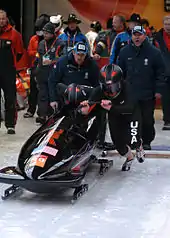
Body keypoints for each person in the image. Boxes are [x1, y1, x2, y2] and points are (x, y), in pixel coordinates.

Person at [80, 64, 144, 170]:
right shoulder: (99, 91)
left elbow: (130, 107)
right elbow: (91, 105)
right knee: (118, 144)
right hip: (115, 115)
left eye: (113, 87)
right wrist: (86, 108)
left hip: (131, 113)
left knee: (133, 140)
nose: (111, 91)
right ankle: (129, 157)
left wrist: (112, 107)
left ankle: (138, 145)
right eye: (107, 87)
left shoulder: (128, 88)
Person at [118, 25, 166, 150]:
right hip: (130, 94)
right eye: (135, 35)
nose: (137, 37)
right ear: (132, 36)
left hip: (147, 94)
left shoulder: (154, 52)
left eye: (140, 35)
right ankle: (133, 141)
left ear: (144, 36)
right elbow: (119, 73)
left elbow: (161, 73)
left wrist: (159, 90)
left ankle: (146, 141)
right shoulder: (124, 52)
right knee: (131, 120)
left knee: (147, 120)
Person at [48, 41, 100, 111]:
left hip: (84, 101)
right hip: (65, 99)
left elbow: (97, 85)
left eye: (82, 55)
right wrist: (53, 99)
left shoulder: (92, 65)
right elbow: (52, 80)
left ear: (86, 55)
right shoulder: (62, 62)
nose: (79, 57)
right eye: (78, 54)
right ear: (73, 52)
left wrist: (91, 101)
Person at [34, 22, 64, 124]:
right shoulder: (42, 43)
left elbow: (63, 58)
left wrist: (52, 61)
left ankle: (52, 115)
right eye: (44, 33)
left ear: (52, 33)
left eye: (47, 33)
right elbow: (38, 57)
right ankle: (42, 115)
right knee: (42, 94)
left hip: (54, 73)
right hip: (42, 72)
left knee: (53, 94)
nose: (45, 35)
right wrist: (34, 69)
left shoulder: (60, 43)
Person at [0, 9, 24, 134]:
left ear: (6, 19)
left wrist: (13, 66)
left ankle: (10, 125)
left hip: (8, 70)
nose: (1, 21)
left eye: (3, 18)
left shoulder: (14, 34)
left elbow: (20, 53)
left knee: (10, 97)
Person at [23, 14, 49, 118]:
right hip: (35, 66)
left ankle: (43, 112)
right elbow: (29, 51)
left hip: (46, 67)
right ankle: (31, 109)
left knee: (44, 90)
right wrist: (38, 53)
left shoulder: (50, 39)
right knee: (33, 89)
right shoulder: (34, 39)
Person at [155, 16, 170, 130]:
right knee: (166, 98)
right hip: (164, 72)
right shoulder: (157, 37)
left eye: (169, 24)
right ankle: (167, 121)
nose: (168, 27)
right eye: (166, 24)